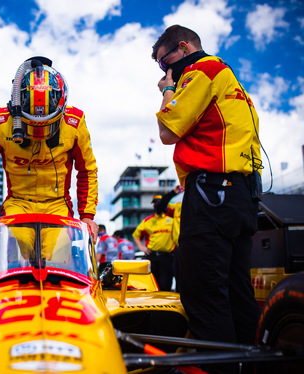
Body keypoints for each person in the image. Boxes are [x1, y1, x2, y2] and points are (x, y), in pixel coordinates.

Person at [152, 25, 261, 372]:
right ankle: (248, 365)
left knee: (202, 291)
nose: (163, 72)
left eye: (164, 62)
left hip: (212, 194)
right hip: (241, 195)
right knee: (236, 291)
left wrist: (168, 89)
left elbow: (168, 131)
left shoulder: (201, 70)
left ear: (184, 48)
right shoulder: (233, 81)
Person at [0, 57, 99, 246]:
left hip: (58, 205)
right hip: (17, 204)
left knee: (60, 253)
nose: (40, 132)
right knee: (16, 251)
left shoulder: (75, 121)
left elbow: (87, 169)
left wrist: (87, 216)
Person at [132, 195, 175, 291]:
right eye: (155, 203)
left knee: (165, 285)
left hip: (167, 257)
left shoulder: (172, 220)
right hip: (152, 256)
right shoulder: (148, 221)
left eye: (159, 202)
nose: (157, 205)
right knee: (151, 285)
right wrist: (142, 247)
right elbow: (136, 235)